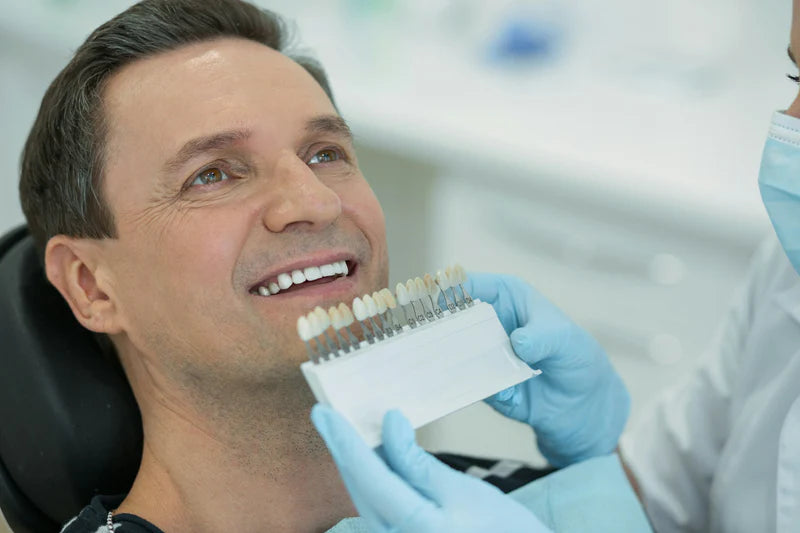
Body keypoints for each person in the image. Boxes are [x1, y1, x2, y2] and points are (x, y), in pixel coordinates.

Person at [19, 0, 639, 532]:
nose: (315, 202)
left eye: (325, 153)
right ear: (91, 286)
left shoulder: (514, 505)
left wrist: (605, 465)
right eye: (212, 174)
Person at [321, 2, 800, 532]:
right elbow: (669, 491)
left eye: (324, 155)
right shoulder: (785, 267)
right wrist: (595, 462)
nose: (790, 123)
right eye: (796, 77)